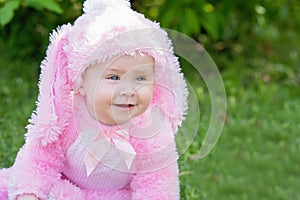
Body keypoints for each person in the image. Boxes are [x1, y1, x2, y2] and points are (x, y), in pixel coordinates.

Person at [0, 0, 188, 199]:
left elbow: (157, 184)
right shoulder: (68, 116)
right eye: (113, 77)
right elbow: (39, 160)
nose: (128, 90)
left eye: (140, 78)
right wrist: (30, 193)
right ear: (80, 81)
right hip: (65, 188)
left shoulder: (152, 131)